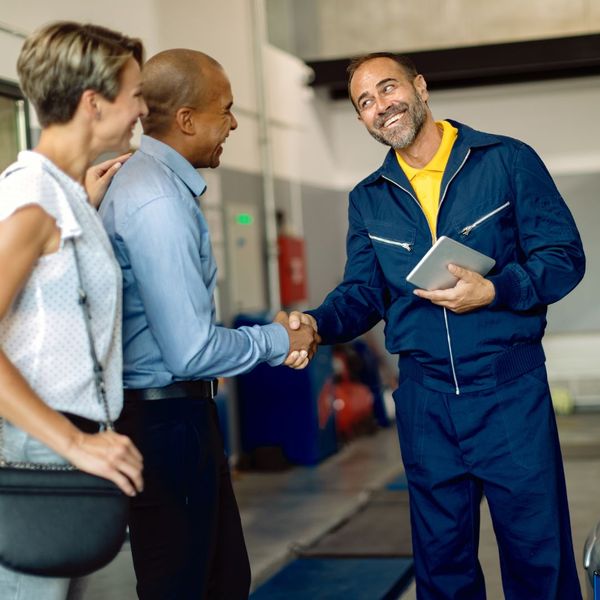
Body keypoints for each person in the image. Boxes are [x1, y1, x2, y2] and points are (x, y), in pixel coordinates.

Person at [286, 52, 585, 599]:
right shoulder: (369, 199)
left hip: (509, 391)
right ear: (359, 119)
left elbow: (564, 256)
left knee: (538, 557)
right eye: (365, 101)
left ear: (419, 87)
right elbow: (362, 293)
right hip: (425, 402)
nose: (381, 105)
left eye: (388, 88)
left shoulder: (505, 161)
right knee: (442, 566)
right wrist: (317, 324)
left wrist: (496, 289)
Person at [99, 49, 318, 600]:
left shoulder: (154, 186)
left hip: (174, 415)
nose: (235, 123)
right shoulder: (156, 199)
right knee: (187, 586)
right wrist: (279, 340)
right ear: (187, 120)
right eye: (227, 110)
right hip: (165, 421)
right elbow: (191, 351)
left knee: (220, 580)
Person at [0, 21, 147, 600]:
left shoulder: (62, 195)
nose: (141, 108)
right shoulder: (33, 199)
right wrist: (73, 443)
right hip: (41, 445)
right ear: (94, 103)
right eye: (134, 93)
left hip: (68, 438)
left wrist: (83, 206)